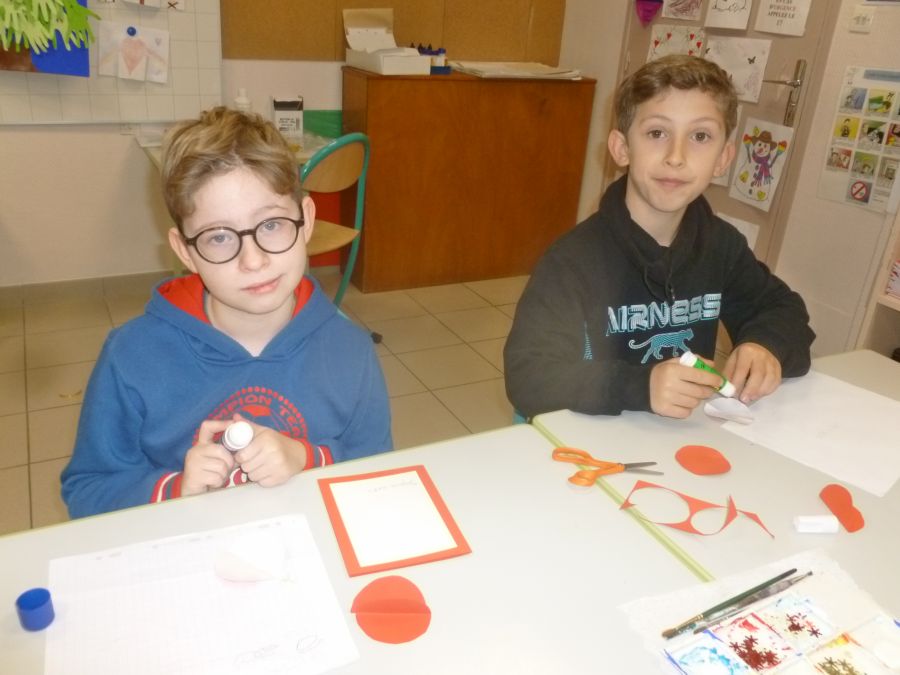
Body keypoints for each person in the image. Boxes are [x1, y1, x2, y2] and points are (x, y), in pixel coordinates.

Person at [62, 107, 392, 518]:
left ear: (306, 220)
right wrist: (176, 488)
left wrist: (308, 458)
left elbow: (378, 475)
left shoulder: (351, 351)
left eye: (271, 225)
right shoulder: (130, 357)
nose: (253, 261)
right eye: (219, 237)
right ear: (185, 251)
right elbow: (87, 491)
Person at [504, 55, 814, 420]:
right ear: (622, 148)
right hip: (586, 434)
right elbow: (528, 375)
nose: (676, 157)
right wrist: (640, 385)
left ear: (723, 158)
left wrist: (765, 345)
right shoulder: (573, 260)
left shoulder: (721, 246)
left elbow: (783, 309)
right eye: (657, 133)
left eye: (700, 136)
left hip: (673, 436)